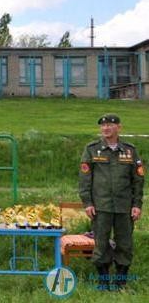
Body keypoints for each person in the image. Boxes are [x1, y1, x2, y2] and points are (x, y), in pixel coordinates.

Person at [79, 114, 144, 291]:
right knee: (101, 243)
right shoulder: (92, 149)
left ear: (118, 128)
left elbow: (138, 180)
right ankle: (103, 281)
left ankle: (121, 282)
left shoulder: (130, 150)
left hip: (125, 207)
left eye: (110, 125)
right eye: (103, 126)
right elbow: (85, 179)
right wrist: (88, 203)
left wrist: (137, 204)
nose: (106, 128)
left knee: (125, 244)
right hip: (100, 206)